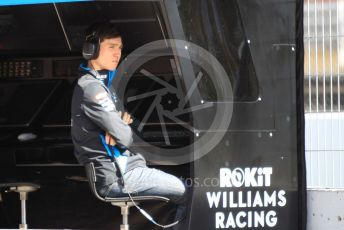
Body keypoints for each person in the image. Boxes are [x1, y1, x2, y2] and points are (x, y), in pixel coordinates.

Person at [71, 21, 187, 227]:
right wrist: (119, 128)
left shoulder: (104, 87)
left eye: (120, 48)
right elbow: (125, 136)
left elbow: (125, 126)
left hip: (124, 170)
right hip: (117, 177)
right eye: (111, 47)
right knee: (187, 192)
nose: (118, 53)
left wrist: (118, 126)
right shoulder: (92, 89)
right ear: (92, 50)